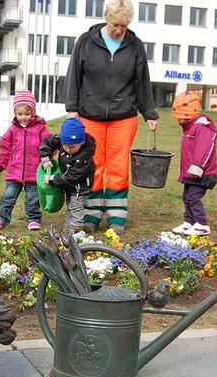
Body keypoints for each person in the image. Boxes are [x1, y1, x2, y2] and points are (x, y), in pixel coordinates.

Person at [64, 0, 159, 235]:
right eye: (116, 25)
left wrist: (149, 113)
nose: (119, 30)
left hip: (123, 116)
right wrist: (72, 108)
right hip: (89, 115)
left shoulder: (135, 46)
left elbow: (142, 81)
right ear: (107, 18)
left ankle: (117, 216)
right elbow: (73, 75)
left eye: (124, 26)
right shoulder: (86, 42)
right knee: (90, 165)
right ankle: (90, 215)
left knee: (118, 167)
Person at [0, 90, 52, 231]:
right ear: (15, 113)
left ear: (33, 112)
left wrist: (48, 157)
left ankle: (33, 219)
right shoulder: (12, 130)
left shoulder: (40, 128)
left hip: (33, 173)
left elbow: (48, 144)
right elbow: (5, 148)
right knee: (8, 197)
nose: (23, 117)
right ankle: (1, 218)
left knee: (33, 198)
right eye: (19, 114)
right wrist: (0, 165)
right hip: (14, 172)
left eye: (27, 114)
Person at [170, 91, 217, 236]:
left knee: (193, 197)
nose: (178, 121)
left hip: (203, 172)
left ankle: (201, 224)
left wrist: (198, 165)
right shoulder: (189, 128)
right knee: (187, 197)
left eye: (180, 117)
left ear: (188, 114)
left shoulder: (202, 127)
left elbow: (205, 149)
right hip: (190, 172)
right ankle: (189, 222)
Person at [39, 118, 96, 232]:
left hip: (80, 186)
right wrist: (45, 159)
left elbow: (72, 177)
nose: (68, 149)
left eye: (72, 147)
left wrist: (52, 179)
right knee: (70, 205)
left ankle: (75, 231)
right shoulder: (62, 139)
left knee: (75, 207)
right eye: (65, 146)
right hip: (68, 183)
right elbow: (47, 142)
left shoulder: (84, 158)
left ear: (82, 142)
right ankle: (67, 230)